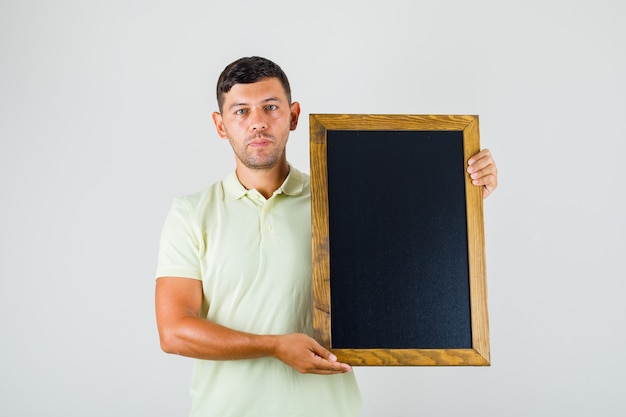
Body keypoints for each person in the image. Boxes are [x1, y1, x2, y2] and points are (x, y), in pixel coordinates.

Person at [154, 56, 498, 417]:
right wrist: (274, 347)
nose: (257, 122)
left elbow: (412, 243)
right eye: (241, 111)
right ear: (220, 125)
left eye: (270, 107)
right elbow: (174, 330)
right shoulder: (191, 213)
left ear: (293, 115)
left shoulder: (341, 198)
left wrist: (462, 190)